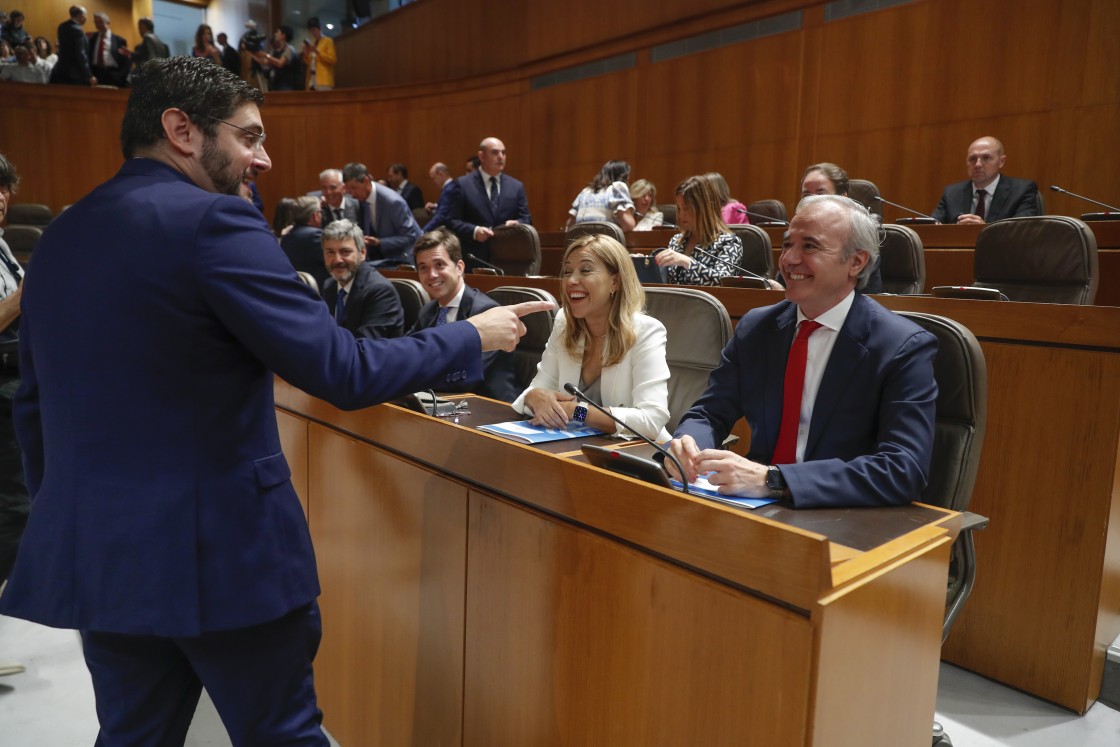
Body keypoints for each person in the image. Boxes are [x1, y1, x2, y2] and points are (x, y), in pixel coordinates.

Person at [0, 56, 549, 746]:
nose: (263, 157)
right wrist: (470, 334)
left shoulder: (58, 241)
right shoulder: (218, 224)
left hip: (105, 559)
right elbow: (341, 369)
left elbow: (34, 406)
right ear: (181, 130)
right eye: (248, 135)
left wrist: (78, 515)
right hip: (225, 557)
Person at [665, 194, 937, 509]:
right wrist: (688, 444)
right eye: (787, 244)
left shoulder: (902, 346)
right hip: (755, 508)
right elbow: (709, 412)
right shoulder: (758, 327)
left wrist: (774, 480)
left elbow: (904, 468)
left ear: (856, 262)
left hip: (844, 517)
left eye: (809, 246)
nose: (789, 259)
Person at [512, 233, 671, 442]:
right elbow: (538, 388)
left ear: (615, 281)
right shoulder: (564, 323)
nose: (571, 280)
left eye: (585, 270)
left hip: (639, 455)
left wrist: (577, 411)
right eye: (567, 271)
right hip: (576, 449)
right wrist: (534, 398)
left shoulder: (647, 331)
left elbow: (651, 420)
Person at [410, 229, 519, 401]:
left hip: (490, 410)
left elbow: (465, 376)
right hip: (442, 405)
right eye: (423, 268)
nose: (431, 275)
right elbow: (409, 357)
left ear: (459, 267)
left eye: (439, 265)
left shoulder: (486, 311)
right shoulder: (428, 311)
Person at [796, 162, 882, 293]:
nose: (811, 201)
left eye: (821, 194)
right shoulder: (795, 234)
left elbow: (868, 296)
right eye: (806, 195)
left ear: (843, 198)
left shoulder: (859, 237)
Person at [448, 136, 532, 269]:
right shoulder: (463, 184)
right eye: (495, 152)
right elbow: (452, 221)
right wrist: (474, 231)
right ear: (481, 156)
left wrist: (518, 223)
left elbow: (526, 218)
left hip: (507, 260)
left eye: (503, 153)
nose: (501, 157)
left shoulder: (516, 186)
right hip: (473, 259)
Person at [320, 219, 404, 340]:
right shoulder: (329, 286)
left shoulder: (381, 291)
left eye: (345, 252)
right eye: (330, 252)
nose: (337, 260)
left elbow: (365, 348)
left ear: (362, 253)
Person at [655, 175, 743, 286]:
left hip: (707, 303)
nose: (681, 214)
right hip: (674, 302)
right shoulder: (676, 241)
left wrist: (687, 262)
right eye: (679, 208)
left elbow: (722, 281)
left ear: (703, 208)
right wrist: (645, 264)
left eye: (686, 208)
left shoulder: (729, 242)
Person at [931, 136, 1040, 225]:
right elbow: (934, 226)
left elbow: (1022, 231)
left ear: (1001, 161)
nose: (977, 164)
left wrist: (985, 229)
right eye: (972, 159)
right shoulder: (952, 193)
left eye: (986, 158)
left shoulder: (1022, 191)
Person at [341, 162, 423, 267]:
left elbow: (410, 237)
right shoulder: (361, 198)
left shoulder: (392, 202)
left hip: (404, 259)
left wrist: (380, 242)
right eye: (348, 190)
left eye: (354, 188)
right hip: (380, 258)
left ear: (366, 181)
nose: (351, 193)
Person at [567, 159, 636, 231]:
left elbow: (570, 225)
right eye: (628, 175)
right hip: (604, 240)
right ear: (623, 176)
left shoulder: (585, 191)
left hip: (582, 240)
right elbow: (628, 225)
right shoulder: (617, 187)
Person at [279, 196, 329, 290]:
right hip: (318, 291)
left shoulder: (287, 236)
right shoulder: (315, 236)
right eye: (320, 212)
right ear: (315, 215)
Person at [49, 5, 96, 87]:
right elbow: (80, 54)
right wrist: (89, 75)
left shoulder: (62, 26)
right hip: (75, 73)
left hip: (62, 70)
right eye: (85, 15)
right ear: (81, 16)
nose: (86, 18)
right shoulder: (77, 30)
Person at [88, 12, 129, 87]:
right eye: (96, 22)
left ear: (107, 22)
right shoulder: (92, 38)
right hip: (95, 74)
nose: (98, 24)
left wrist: (120, 77)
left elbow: (126, 62)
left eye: (100, 22)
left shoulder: (119, 40)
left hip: (113, 75)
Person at [256, 25, 300, 91]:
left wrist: (266, 55)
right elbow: (266, 62)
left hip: (286, 85)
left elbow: (280, 63)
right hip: (275, 84)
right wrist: (252, 55)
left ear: (283, 36)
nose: (275, 34)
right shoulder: (275, 50)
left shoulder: (289, 49)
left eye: (278, 32)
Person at [422, 161, 459, 232]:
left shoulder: (449, 190)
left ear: (441, 174)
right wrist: (435, 206)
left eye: (434, 178)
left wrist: (423, 232)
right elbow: (449, 206)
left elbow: (441, 216)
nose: (434, 182)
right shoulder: (452, 186)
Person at [302, 17, 335, 91]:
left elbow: (332, 59)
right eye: (311, 31)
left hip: (323, 79)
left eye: (314, 30)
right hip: (312, 78)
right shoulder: (313, 43)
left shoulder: (328, 41)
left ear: (320, 28)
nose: (313, 33)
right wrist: (305, 53)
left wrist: (317, 51)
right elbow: (309, 63)